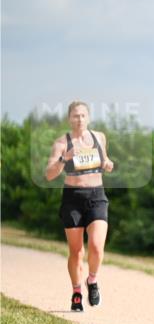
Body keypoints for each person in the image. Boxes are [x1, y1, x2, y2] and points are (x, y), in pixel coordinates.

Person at [44, 101, 115, 312]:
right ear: (69, 119)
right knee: (76, 252)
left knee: (96, 246)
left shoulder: (99, 137)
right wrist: (63, 160)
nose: (80, 119)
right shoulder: (62, 143)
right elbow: (49, 174)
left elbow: (106, 161)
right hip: (73, 198)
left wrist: (108, 164)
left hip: (97, 196)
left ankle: (91, 281)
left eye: (83, 115)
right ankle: (76, 292)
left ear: (89, 118)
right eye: (76, 116)